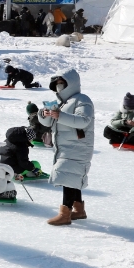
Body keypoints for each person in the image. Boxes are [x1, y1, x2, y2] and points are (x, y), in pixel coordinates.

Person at [39, 69, 95, 225]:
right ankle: (79, 210)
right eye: (56, 84)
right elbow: (49, 123)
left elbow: (84, 121)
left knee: (68, 177)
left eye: (62, 83)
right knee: (72, 175)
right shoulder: (62, 103)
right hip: (65, 146)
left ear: (71, 83)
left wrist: (60, 115)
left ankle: (65, 214)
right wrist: (44, 114)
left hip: (79, 146)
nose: (59, 87)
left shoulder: (82, 100)